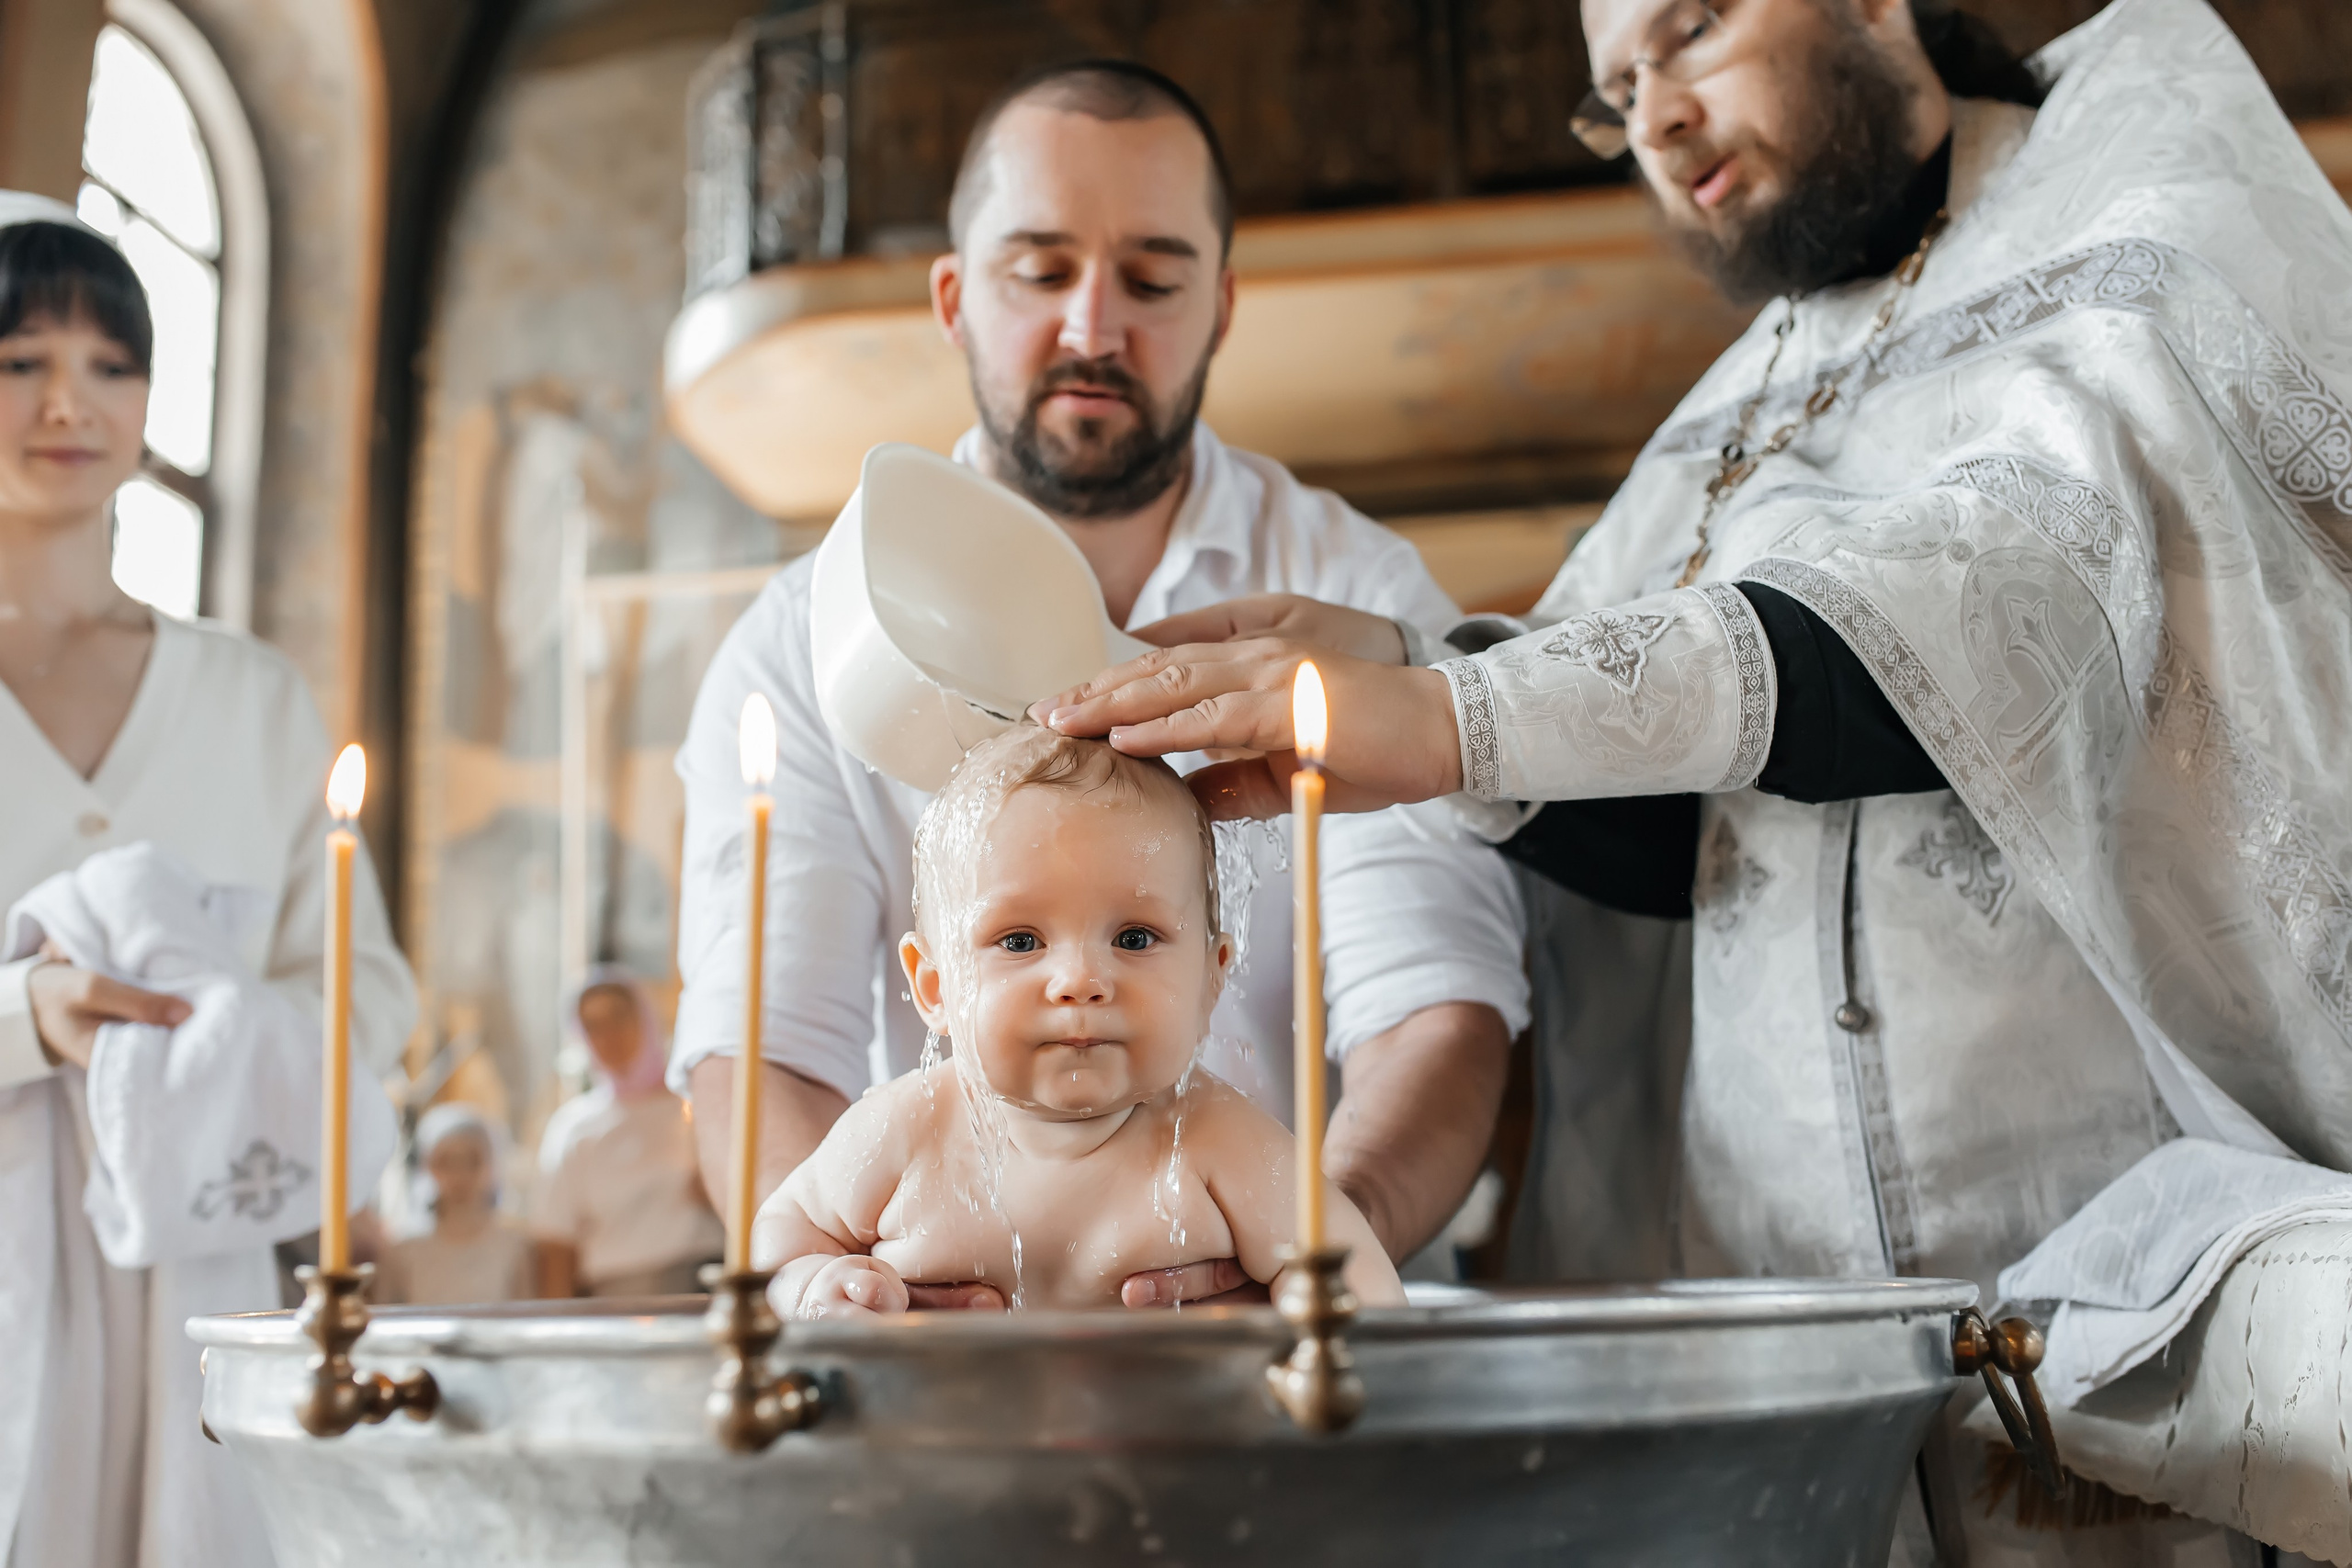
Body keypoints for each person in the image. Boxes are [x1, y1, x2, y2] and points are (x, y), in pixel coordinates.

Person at [1035, 0, 2352, 1559]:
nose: (1655, 117)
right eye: (1616, 91)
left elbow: (1990, 613)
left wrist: (1445, 704)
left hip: (2134, 1324)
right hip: (1825, 1380)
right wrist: (1415, 667)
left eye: (1692, 32)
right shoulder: (1731, 412)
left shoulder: (2139, 216)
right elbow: (1680, 834)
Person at [672, 60, 1529, 1307]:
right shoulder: (795, 641)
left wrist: (1299, 1270)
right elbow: (765, 1049)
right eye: (1040, 268)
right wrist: (858, 1294)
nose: (1091, 326)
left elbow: (1434, 1012)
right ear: (956, 297)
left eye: (1152, 276)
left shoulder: (1358, 594)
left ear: (1222, 305)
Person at [0, 197, 414, 1567]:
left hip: (198, 1265)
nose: (70, 399)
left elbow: (363, 983)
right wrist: (29, 1020)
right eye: (19, 360)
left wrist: (237, 1038)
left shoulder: (249, 696)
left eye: (111, 363)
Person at [757, 726, 1404, 1315]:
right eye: (1019, 941)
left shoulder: (1222, 1144)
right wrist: (815, 1283)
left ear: (1212, 977)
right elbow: (778, 1241)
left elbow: (1363, 1291)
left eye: (1135, 937)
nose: (1081, 981)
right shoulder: (903, 1131)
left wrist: (1301, 1316)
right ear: (935, 984)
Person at [533, 968, 722, 1297]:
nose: (610, 1035)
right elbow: (556, 1244)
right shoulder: (575, 1128)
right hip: (618, 1294)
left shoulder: (700, 1104)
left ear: (645, 1018)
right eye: (593, 1026)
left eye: (619, 1017)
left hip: (701, 1284)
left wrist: (716, 1188)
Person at [376, 1102, 535, 1306]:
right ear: (428, 1165)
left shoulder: (514, 1249)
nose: (459, 1175)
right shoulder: (402, 1251)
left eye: (471, 1161)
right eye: (447, 1162)